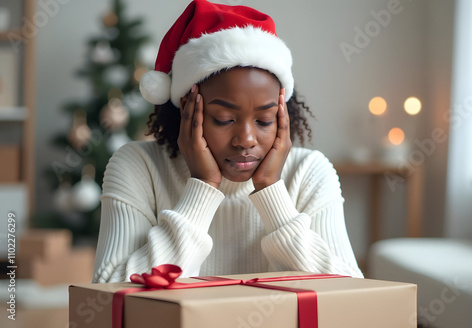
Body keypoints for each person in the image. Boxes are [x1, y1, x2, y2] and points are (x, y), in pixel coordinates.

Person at [92, 0, 363, 283]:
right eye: (223, 118)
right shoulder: (138, 167)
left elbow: (351, 294)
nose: (246, 140)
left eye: (264, 120)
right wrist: (203, 187)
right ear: (187, 108)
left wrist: (271, 190)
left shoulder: (309, 171)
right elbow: (111, 293)